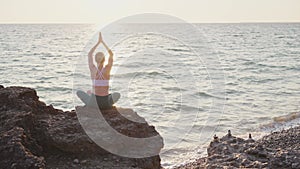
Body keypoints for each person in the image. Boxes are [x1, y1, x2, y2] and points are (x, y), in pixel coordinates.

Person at [77, 32, 120, 109]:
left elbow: (89, 54)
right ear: (104, 60)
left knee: (79, 92)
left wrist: (98, 43)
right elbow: (111, 54)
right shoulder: (107, 69)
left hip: (94, 104)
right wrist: (103, 42)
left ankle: (90, 97)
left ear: (95, 60)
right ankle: (106, 102)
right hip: (105, 104)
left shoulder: (93, 69)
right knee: (117, 94)